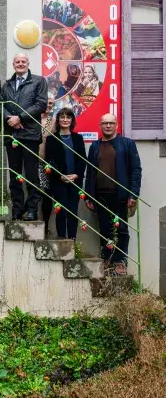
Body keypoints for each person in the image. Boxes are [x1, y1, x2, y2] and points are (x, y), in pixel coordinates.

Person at [85, 113, 141, 276]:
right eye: (104, 123)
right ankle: (107, 259)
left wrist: (133, 194)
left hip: (121, 195)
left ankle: (120, 261)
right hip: (101, 195)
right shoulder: (94, 146)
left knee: (122, 229)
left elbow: (136, 170)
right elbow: (90, 172)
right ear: (100, 126)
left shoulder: (127, 144)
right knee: (105, 229)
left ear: (117, 125)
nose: (108, 126)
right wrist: (89, 194)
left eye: (111, 123)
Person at [0, 53, 48, 221]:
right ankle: (17, 209)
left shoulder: (39, 81)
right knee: (14, 176)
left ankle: (32, 209)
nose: (20, 64)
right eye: (17, 61)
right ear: (13, 64)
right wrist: (8, 119)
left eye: (23, 61)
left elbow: (41, 104)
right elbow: (0, 105)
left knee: (32, 175)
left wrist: (20, 117)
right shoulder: (7, 85)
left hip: (30, 135)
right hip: (12, 136)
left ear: (28, 63)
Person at [45, 107, 86, 240]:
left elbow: (83, 160)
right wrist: (59, 176)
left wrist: (77, 175)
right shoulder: (51, 139)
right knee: (61, 210)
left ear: (72, 120)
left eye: (68, 117)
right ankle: (62, 238)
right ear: (58, 120)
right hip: (58, 181)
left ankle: (72, 238)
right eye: (62, 117)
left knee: (73, 211)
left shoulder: (78, 138)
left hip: (75, 180)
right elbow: (49, 161)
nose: (65, 119)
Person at [39, 93, 55, 235]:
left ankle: (45, 224)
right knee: (33, 190)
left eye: (51, 103)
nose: (48, 105)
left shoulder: (54, 121)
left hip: (47, 163)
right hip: (32, 160)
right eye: (47, 102)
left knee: (47, 194)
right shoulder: (33, 119)